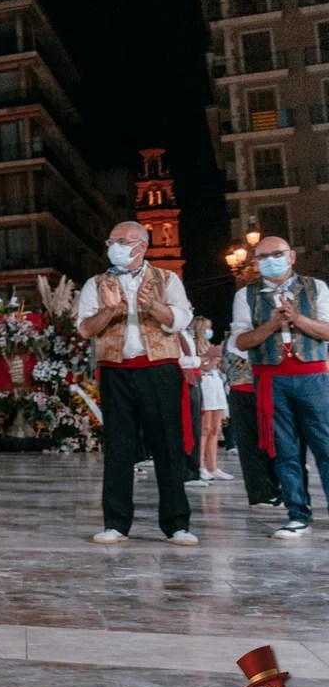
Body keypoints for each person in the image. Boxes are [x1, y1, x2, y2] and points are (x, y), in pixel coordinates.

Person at [77, 222, 198, 546]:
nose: (114, 246)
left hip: (158, 369)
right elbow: (86, 329)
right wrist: (109, 310)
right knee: (118, 446)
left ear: (141, 247)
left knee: (167, 445)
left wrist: (150, 307)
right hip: (116, 370)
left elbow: (181, 320)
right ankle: (116, 523)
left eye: (121, 241)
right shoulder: (96, 283)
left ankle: (176, 524)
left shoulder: (166, 279)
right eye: (111, 240)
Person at [230, 236, 329, 539]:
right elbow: (241, 342)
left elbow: (327, 330)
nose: (269, 260)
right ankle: (297, 514)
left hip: (312, 377)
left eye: (276, 254)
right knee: (285, 452)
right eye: (262, 257)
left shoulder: (316, 288)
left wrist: (297, 318)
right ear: (256, 263)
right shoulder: (246, 295)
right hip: (271, 379)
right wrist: (272, 324)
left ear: (292, 256)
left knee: (325, 447)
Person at [225, 328, 282, 509]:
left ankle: (273, 488)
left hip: (265, 390)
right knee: (252, 445)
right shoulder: (238, 337)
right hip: (245, 391)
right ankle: (260, 493)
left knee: (271, 442)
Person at [193, 319, 232, 481]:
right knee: (205, 428)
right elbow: (200, 366)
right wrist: (211, 360)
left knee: (215, 428)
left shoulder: (209, 345)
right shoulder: (195, 345)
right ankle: (200, 465)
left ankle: (213, 466)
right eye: (207, 328)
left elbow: (220, 368)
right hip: (204, 384)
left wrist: (220, 359)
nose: (209, 330)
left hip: (216, 384)